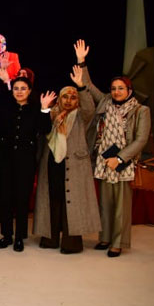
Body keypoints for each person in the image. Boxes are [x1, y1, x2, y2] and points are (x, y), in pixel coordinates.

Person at [80, 40, 151, 258]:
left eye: (121, 88)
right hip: (103, 160)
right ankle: (105, 237)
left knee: (121, 206)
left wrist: (120, 159)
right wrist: (82, 62)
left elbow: (140, 140)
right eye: (113, 88)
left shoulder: (140, 110)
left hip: (123, 163)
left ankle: (118, 243)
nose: (116, 92)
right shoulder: (106, 102)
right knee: (105, 204)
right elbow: (89, 86)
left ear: (129, 90)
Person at [33, 64, 100, 253]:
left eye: (73, 97)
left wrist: (81, 86)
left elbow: (89, 107)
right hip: (52, 164)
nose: (69, 100)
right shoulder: (52, 114)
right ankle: (50, 238)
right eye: (65, 96)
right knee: (52, 199)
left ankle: (71, 243)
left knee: (72, 201)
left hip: (74, 165)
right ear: (59, 98)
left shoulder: (81, 116)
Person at [0, 76, 54, 252]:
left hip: (26, 160)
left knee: (22, 199)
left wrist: (45, 109)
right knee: (5, 198)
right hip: (6, 158)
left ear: (29, 91)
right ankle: (6, 235)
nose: (20, 91)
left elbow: (45, 129)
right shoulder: (5, 107)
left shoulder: (36, 109)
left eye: (23, 88)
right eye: (16, 88)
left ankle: (19, 237)